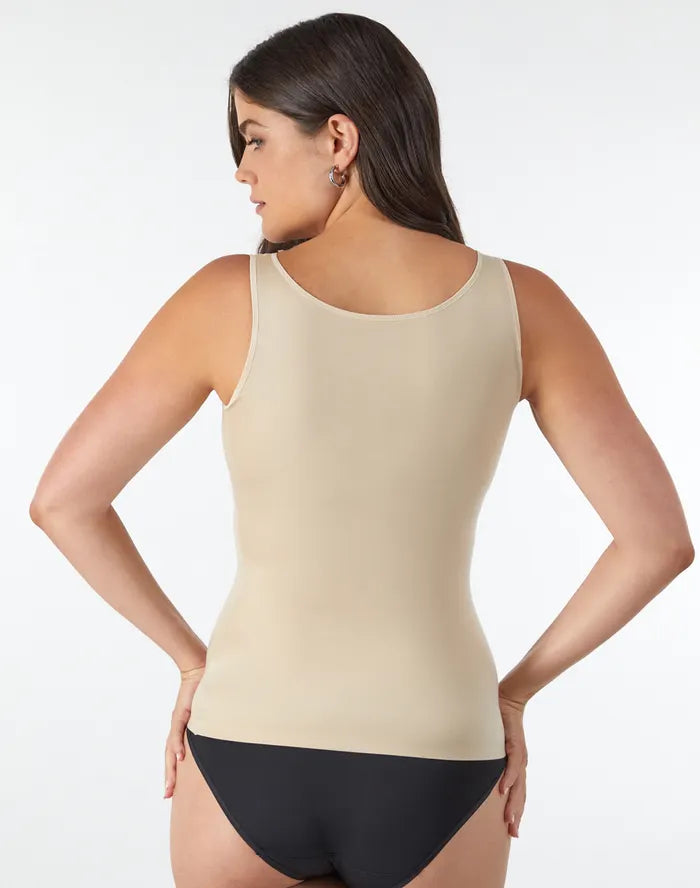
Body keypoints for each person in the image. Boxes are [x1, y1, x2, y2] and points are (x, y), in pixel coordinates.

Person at [29, 12, 694, 888]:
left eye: (255, 137)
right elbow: (657, 542)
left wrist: (192, 661)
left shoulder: (227, 297)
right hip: (441, 750)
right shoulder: (525, 306)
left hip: (247, 737)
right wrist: (514, 692)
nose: (242, 170)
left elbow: (62, 502)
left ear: (338, 139)